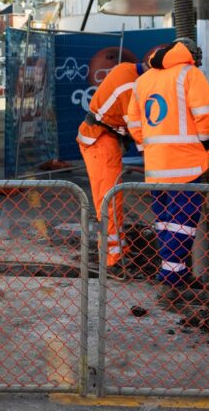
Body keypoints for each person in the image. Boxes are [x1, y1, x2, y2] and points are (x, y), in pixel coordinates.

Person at [126, 37, 209, 298]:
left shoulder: (143, 81)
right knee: (184, 222)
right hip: (186, 164)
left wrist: (147, 148)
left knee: (165, 221)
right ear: (188, 54)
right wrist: (205, 144)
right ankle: (172, 277)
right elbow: (205, 114)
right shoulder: (190, 74)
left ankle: (172, 271)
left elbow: (133, 122)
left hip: (156, 166)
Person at [77, 59, 146, 280]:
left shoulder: (127, 69)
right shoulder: (130, 87)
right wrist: (151, 155)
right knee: (108, 203)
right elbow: (137, 128)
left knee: (111, 201)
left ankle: (117, 252)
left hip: (102, 139)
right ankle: (111, 260)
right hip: (100, 142)